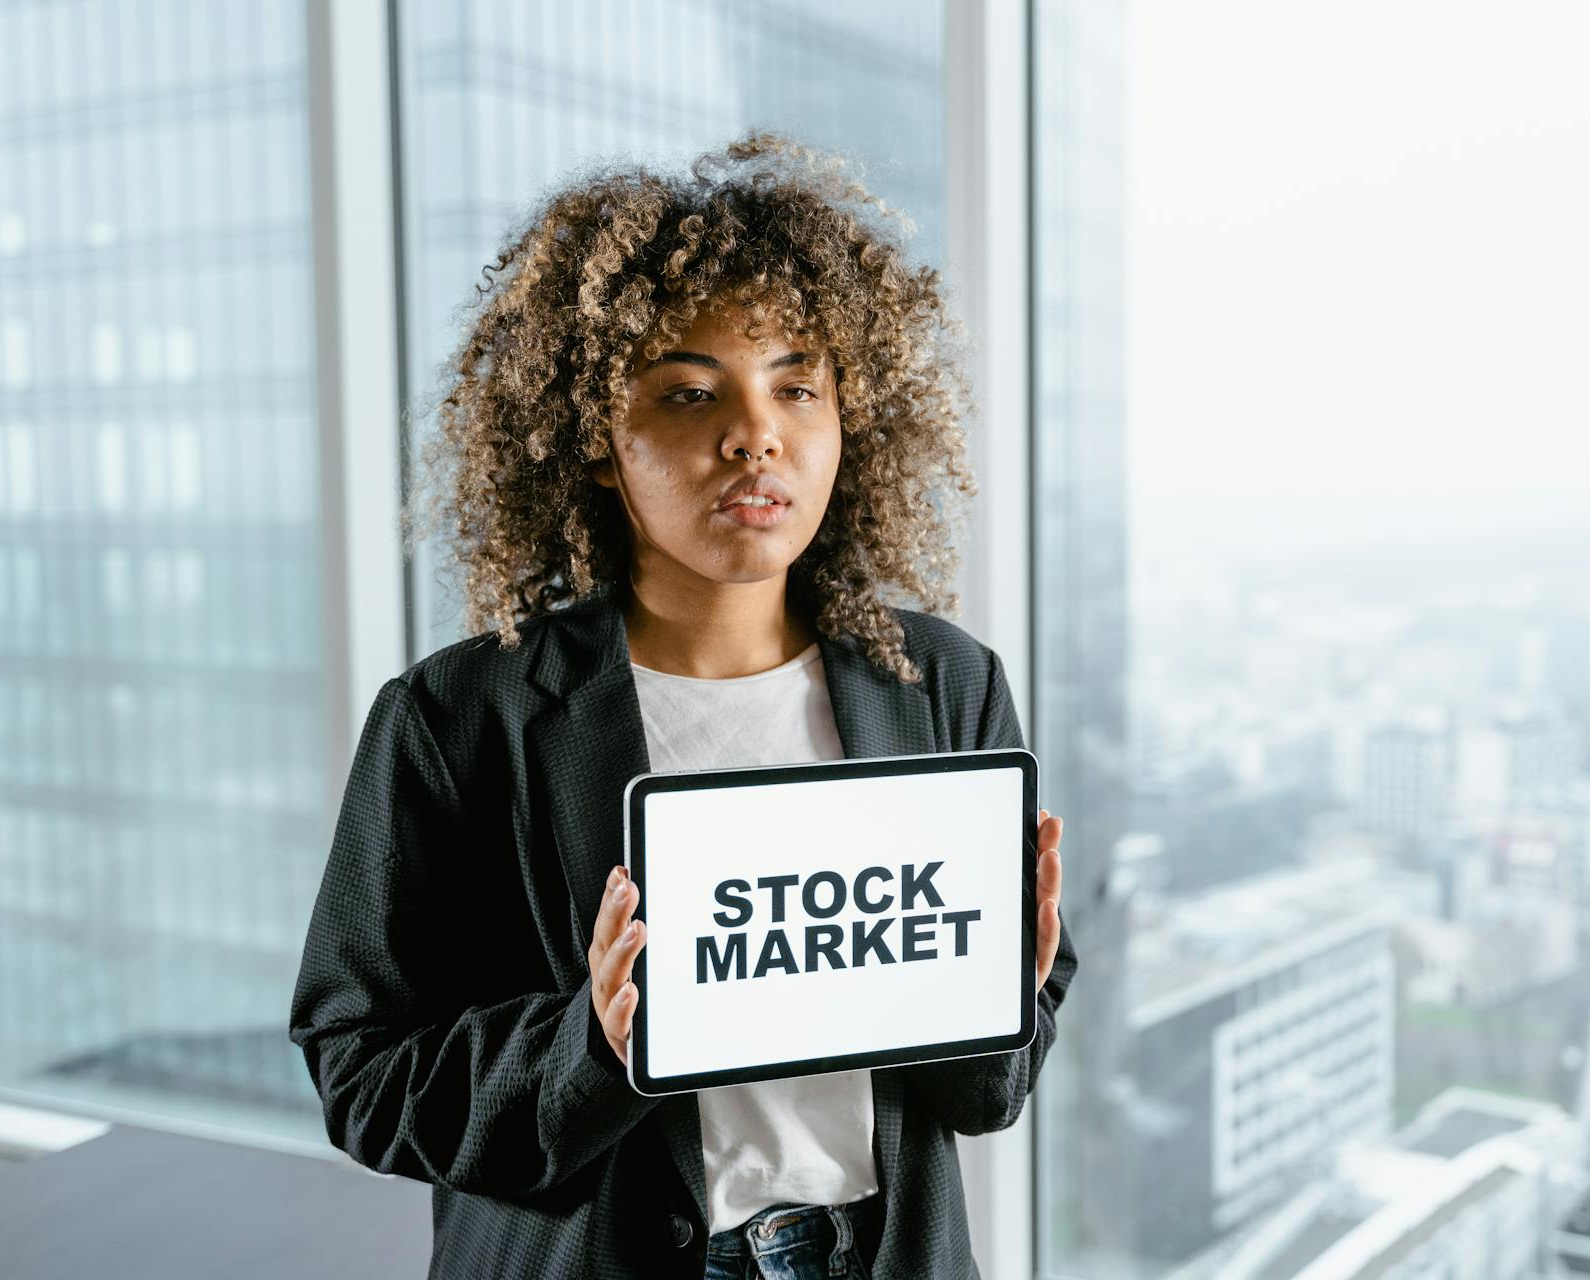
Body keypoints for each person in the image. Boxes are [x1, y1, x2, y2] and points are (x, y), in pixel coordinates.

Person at [288, 130, 1076, 1280]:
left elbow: (985, 1091)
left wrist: (1004, 987)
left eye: (797, 385)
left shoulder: (945, 686)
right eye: (689, 390)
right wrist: (589, 1045)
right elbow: (360, 1072)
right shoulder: (459, 720)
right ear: (599, 440)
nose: (754, 430)